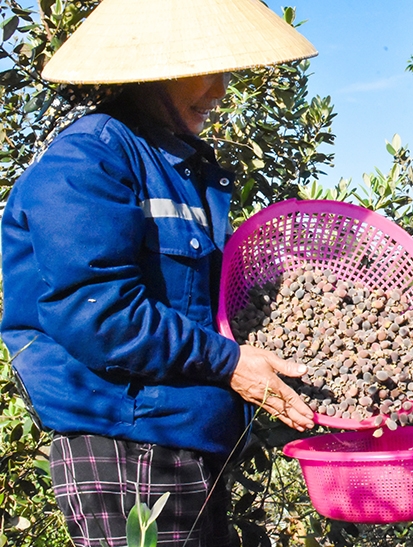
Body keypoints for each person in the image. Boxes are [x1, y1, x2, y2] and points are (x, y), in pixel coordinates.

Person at [1, 0, 319, 544]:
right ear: (159, 69)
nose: (220, 90)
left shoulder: (179, 167)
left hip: (183, 435)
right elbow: (98, 312)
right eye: (208, 70)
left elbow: (196, 304)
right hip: (126, 442)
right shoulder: (88, 162)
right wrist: (231, 364)